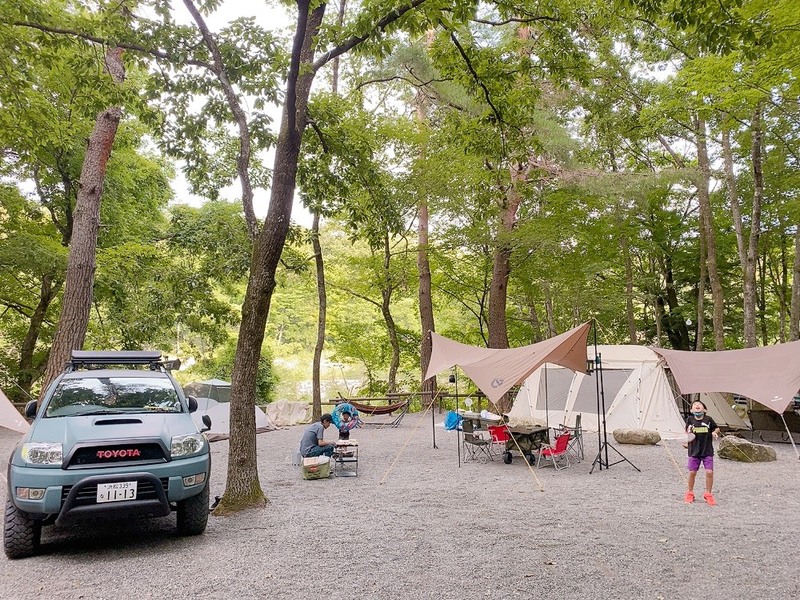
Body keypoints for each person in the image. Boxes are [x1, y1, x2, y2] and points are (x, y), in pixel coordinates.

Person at [684, 400, 720, 506]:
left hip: (707, 450)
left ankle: (708, 494)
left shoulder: (709, 419)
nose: (697, 406)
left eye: (699, 404)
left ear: (704, 409)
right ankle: (690, 492)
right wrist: (687, 436)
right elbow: (687, 432)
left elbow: (717, 428)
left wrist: (714, 432)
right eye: (694, 405)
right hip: (694, 451)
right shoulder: (689, 420)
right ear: (691, 410)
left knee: (709, 472)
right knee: (692, 473)